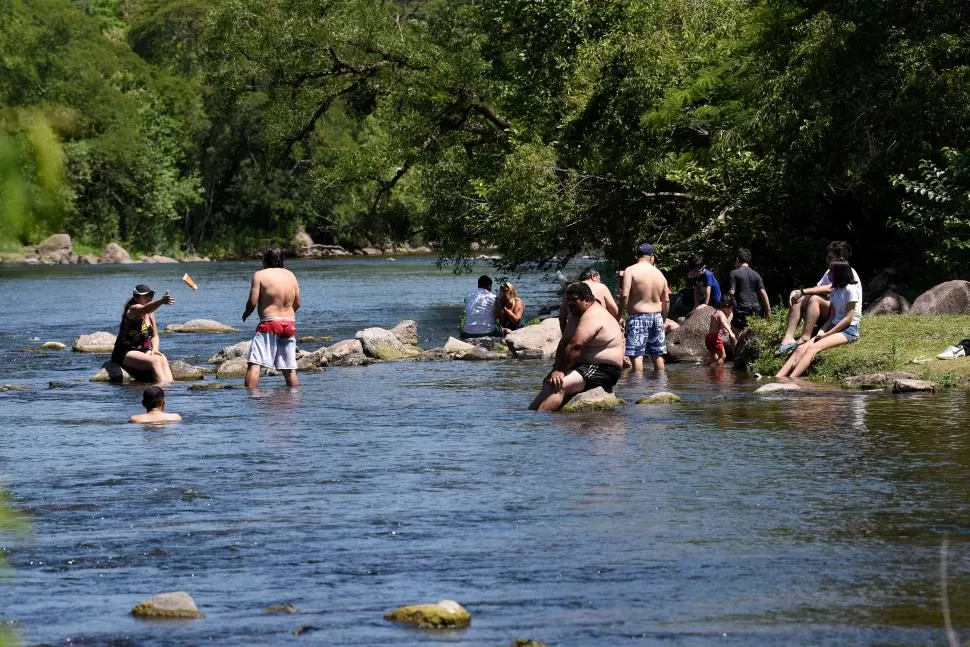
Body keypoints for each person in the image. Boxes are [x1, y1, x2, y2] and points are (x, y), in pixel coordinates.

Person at [529, 282, 624, 412]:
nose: (570, 304)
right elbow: (565, 342)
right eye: (568, 300)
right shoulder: (577, 313)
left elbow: (575, 346)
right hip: (583, 365)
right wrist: (555, 369)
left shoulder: (593, 315)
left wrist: (561, 370)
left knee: (559, 386)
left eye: (574, 300)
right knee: (548, 383)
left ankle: (541, 422)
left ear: (587, 299)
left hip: (604, 369)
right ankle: (529, 416)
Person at [777, 259, 861, 378]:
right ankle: (778, 378)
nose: (828, 274)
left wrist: (828, 333)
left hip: (848, 330)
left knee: (812, 348)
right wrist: (822, 330)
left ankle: (791, 380)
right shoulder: (835, 290)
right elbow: (832, 316)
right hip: (833, 327)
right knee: (801, 349)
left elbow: (849, 318)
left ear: (839, 273)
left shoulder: (850, 290)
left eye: (831, 271)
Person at [776, 241, 862, 355]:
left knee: (814, 299)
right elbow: (818, 287)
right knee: (800, 298)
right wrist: (799, 294)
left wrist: (802, 291)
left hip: (841, 314)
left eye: (830, 257)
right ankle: (787, 340)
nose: (826, 259)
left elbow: (829, 288)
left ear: (840, 258)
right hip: (832, 311)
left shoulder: (848, 272)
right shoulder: (830, 271)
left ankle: (805, 337)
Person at [242, 247, 301, 388]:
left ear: (265, 260)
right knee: (289, 369)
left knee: (255, 365)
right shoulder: (291, 275)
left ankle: (250, 399)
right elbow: (297, 303)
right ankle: (295, 401)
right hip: (289, 325)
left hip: (269, 325)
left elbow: (253, 301)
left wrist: (246, 313)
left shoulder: (260, 275)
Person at [618, 243, 670, 371]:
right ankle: (660, 387)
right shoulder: (659, 274)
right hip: (657, 317)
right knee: (657, 355)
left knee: (637, 356)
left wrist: (618, 315)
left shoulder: (630, 270)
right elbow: (666, 300)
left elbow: (624, 295)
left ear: (638, 256)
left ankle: (638, 389)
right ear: (651, 257)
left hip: (638, 317)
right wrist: (663, 318)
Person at [110, 283, 175, 384]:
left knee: (162, 358)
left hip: (144, 350)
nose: (149, 298)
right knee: (154, 361)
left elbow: (154, 335)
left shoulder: (151, 312)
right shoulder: (132, 310)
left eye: (151, 295)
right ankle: (159, 390)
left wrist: (155, 350)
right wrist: (161, 301)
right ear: (136, 297)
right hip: (126, 352)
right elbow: (144, 309)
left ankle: (170, 387)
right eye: (146, 296)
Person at [559, 266, 618, 331]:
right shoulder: (601, 287)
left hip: (575, 331)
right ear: (595, 275)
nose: (600, 281)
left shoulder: (571, 287)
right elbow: (615, 311)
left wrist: (564, 333)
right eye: (600, 279)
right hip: (596, 331)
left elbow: (562, 316)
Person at [727, 248, 771, 334]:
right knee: (754, 334)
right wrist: (768, 310)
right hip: (756, 309)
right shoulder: (756, 274)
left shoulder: (734, 273)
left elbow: (732, 291)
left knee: (734, 334)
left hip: (742, 308)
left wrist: (725, 303)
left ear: (737, 259)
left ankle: (735, 347)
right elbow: (763, 293)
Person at [705, 295, 737, 365]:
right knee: (723, 356)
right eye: (731, 309)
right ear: (726, 307)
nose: (731, 312)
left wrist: (724, 330)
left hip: (708, 338)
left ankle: (708, 369)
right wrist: (730, 332)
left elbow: (716, 325)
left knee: (714, 358)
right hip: (715, 338)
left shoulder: (716, 313)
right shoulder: (721, 314)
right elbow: (723, 322)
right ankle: (719, 372)